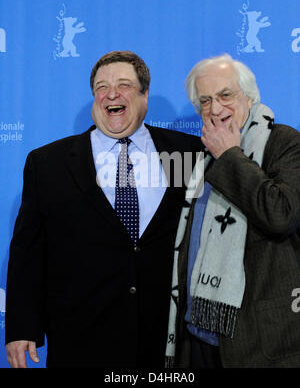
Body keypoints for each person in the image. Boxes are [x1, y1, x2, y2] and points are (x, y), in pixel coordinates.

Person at [5, 50, 202, 368]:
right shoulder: (48, 163)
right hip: (82, 337)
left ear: (144, 94)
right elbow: (28, 251)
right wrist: (21, 327)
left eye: (124, 84)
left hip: (169, 339)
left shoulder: (189, 154)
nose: (111, 93)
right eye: (101, 86)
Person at [165, 53, 300, 368]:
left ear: (250, 96)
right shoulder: (202, 160)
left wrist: (230, 154)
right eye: (205, 100)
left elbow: (281, 215)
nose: (215, 108)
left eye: (225, 95)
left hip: (263, 340)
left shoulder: (285, 142)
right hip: (200, 336)